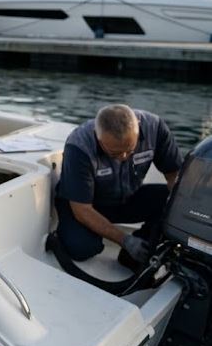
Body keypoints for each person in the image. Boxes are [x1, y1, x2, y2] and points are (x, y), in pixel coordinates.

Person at [56, 104, 182, 267]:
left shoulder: (155, 128)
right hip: (85, 204)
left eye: (130, 150)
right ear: (98, 137)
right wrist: (125, 240)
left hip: (127, 198)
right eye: (114, 153)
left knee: (173, 200)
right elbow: (82, 210)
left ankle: (142, 248)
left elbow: (174, 176)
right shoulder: (79, 146)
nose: (123, 157)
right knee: (82, 249)